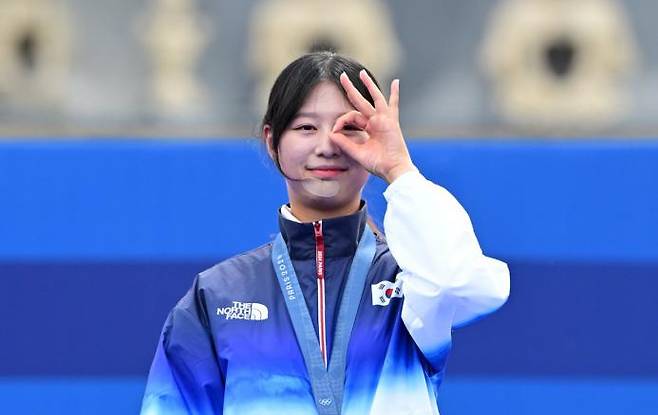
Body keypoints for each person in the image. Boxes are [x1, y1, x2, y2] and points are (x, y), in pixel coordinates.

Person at [140, 51, 510, 415]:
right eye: (306, 127)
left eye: (349, 128)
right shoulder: (218, 296)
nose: (327, 145)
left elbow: (466, 285)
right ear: (272, 140)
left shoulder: (412, 281)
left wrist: (399, 169)